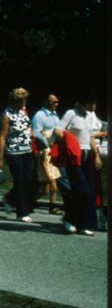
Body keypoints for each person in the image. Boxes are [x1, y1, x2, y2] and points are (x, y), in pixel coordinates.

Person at [57, 92, 102, 234]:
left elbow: (90, 136)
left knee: (89, 191)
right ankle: (69, 219)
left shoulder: (89, 116)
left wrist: (97, 156)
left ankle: (85, 224)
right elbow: (58, 131)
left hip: (87, 154)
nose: (93, 106)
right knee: (81, 189)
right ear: (83, 103)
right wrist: (70, 143)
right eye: (90, 103)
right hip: (74, 155)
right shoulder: (71, 113)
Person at [0, 87, 35, 223]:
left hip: (27, 150)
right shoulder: (6, 114)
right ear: (16, 101)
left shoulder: (23, 111)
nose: (25, 102)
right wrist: (0, 158)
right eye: (23, 100)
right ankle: (21, 212)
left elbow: (28, 128)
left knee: (29, 180)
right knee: (20, 180)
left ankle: (9, 199)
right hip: (13, 151)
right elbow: (2, 136)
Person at [32, 94, 69, 214]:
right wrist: (47, 145)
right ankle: (53, 206)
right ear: (47, 102)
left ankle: (28, 201)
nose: (57, 104)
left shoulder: (55, 115)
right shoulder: (40, 115)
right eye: (54, 102)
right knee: (52, 182)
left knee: (46, 189)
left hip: (56, 151)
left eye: (57, 102)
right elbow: (36, 133)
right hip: (46, 151)